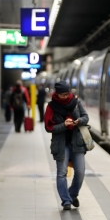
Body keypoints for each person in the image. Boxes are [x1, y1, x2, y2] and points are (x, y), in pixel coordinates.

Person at [44, 81, 88, 210]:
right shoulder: (51, 107)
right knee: (61, 173)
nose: (65, 96)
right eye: (62, 94)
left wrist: (78, 121)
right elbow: (49, 128)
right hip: (61, 145)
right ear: (57, 94)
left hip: (77, 143)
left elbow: (85, 117)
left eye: (67, 94)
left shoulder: (76, 102)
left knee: (80, 172)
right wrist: (64, 125)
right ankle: (66, 201)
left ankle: (72, 194)